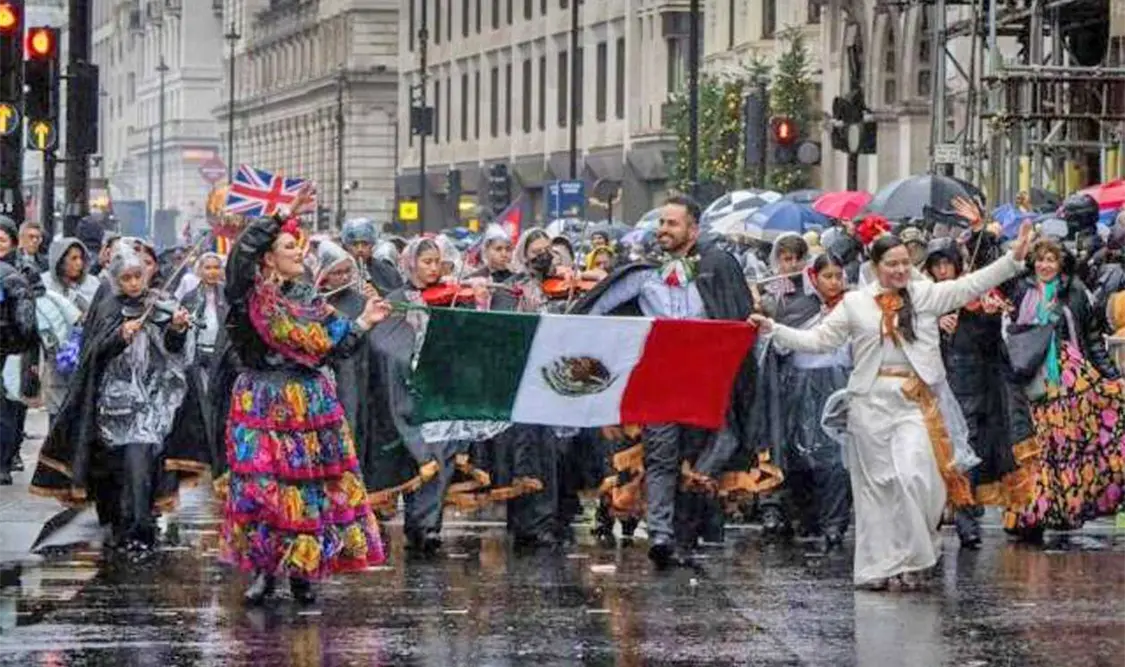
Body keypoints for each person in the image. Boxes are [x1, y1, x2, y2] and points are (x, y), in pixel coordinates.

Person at [751, 222, 1034, 590]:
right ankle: (879, 567)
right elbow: (819, 340)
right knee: (878, 488)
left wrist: (1012, 260)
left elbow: (969, 286)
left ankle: (917, 554)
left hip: (914, 400)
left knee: (917, 477)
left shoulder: (925, 295)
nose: (900, 270)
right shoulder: (855, 303)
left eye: (904, 262)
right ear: (876, 266)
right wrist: (774, 329)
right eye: (892, 264)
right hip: (869, 402)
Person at [214, 206, 390, 606]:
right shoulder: (250, 296)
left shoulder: (311, 298)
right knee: (263, 489)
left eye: (299, 246)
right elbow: (241, 254)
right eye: (289, 246)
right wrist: (276, 219)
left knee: (308, 489)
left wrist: (365, 321)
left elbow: (335, 347)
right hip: (262, 400)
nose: (298, 252)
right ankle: (264, 569)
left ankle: (302, 569)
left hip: (309, 403)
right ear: (268, 256)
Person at [576, 195, 761, 567]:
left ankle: (688, 529)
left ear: (693, 229)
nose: (663, 230)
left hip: (706, 376)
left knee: (721, 440)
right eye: (661, 223)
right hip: (660, 376)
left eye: (672, 224)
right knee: (661, 455)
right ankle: (661, 535)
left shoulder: (716, 265)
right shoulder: (643, 274)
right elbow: (597, 308)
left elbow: (736, 314)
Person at [29, 246, 207, 553]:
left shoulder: (160, 303)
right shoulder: (109, 305)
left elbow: (174, 351)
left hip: (149, 405)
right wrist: (119, 336)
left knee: (142, 462)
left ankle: (139, 527)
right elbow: (94, 352)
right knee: (113, 469)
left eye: (139, 276)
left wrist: (177, 329)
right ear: (115, 279)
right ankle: (119, 522)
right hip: (111, 405)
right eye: (127, 278)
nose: (135, 284)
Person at [1005, 237, 1125, 541]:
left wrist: (1111, 377)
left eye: (1051, 260)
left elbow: (1093, 338)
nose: (1045, 265)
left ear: (1061, 264)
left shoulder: (1074, 294)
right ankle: (1031, 513)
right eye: (1040, 259)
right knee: (1037, 449)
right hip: (1031, 381)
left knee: (1064, 448)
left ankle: (1059, 509)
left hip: (1068, 380)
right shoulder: (1021, 291)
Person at [923, 235, 1034, 549]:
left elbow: (991, 341)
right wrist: (935, 324)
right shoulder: (925, 297)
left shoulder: (972, 292)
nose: (943, 270)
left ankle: (967, 517)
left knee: (971, 453)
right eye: (937, 264)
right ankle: (948, 516)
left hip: (978, 387)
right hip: (938, 385)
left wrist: (986, 315)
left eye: (947, 263)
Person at [753, 253, 853, 550]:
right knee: (801, 454)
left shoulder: (853, 306)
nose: (834, 282)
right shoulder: (797, 308)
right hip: (801, 386)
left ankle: (834, 523)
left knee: (837, 459)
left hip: (839, 383)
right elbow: (781, 347)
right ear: (813, 278)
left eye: (838, 275)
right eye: (827, 276)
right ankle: (805, 516)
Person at [38, 237, 100, 426]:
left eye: (81, 258)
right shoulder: (44, 284)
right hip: (53, 357)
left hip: (84, 356)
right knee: (57, 414)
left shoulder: (92, 285)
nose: (78, 264)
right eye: (73, 258)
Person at [178, 252, 228, 391]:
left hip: (223, 356)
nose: (212, 272)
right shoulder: (190, 297)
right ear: (199, 270)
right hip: (198, 356)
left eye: (216, 267)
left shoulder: (228, 294)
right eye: (208, 268)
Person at [341, 217, 404, 295]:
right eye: (354, 244)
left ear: (372, 245)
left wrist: (379, 295)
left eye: (365, 244)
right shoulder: (335, 271)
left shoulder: (387, 272)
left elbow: (400, 299)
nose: (360, 249)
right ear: (346, 246)